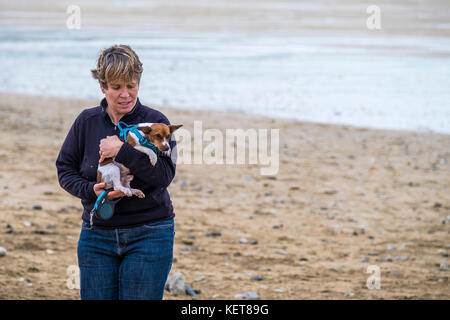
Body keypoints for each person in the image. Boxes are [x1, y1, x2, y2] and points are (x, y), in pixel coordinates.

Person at [56, 44, 177, 300]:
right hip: (96, 235)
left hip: (150, 233)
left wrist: (122, 150)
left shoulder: (157, 123)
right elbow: (65, 169)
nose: (125, 94)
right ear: (102, 87)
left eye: (131, 85)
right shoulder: (86, 122)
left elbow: (164, 176)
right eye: (116, 87)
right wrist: (91, 190)